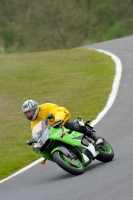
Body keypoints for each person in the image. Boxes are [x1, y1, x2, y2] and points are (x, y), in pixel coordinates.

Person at [22, 99, 103, 145]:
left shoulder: (45, 107)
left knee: (76, 126)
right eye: (27, 113)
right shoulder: (33, 123)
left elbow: (57, 110)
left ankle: (96, 137)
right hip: (53, 132)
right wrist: (36, 142)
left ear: (35, 108)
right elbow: (37, 133)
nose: (29, 114)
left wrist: (58, 120)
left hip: (62, 121)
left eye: (30, 112)